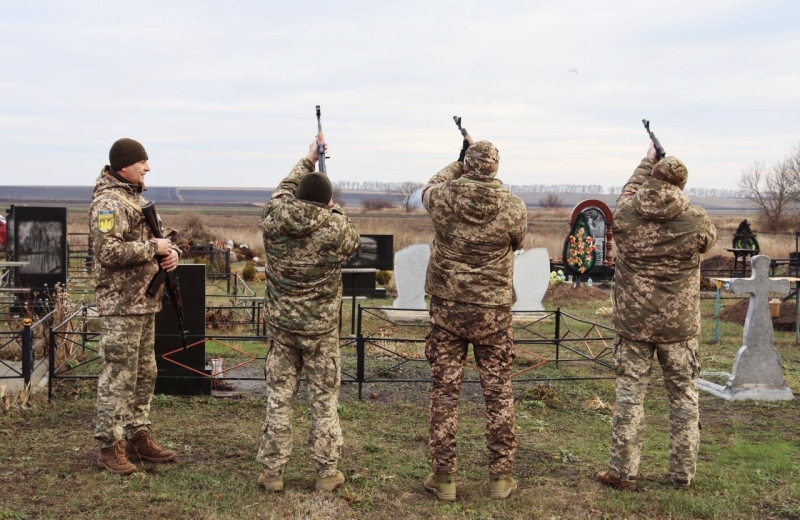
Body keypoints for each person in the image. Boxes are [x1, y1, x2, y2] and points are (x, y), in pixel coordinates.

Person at [597, 142, 717, 491]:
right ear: (681, 184)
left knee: (630, 396)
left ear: (653, 176)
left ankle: (622, 472)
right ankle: (682, 475)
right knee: (684, 398)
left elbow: (629, 191)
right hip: (679, 328)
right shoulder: (697, 220)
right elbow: (706, 242)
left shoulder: (626, 214)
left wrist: (645, 161)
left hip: (633, 324)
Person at [421, 131, 527, 500]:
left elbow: (430, 186)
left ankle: (444, 477)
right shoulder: (514, 206)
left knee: (444, 393)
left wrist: (458, 159)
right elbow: (516, 241)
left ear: (466, 165)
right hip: (493, 313)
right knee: (498, 392)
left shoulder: (444, 196)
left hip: (448, 308)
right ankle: (500, 478)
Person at [256, 136, 360, 493]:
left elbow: (282, 191)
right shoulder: (335, 227)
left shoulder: (274, 217)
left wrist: (306, 159)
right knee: (323, 401)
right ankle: (326, 472)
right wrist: (335, 210)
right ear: (327, 201)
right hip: (320, 332)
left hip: (282, 328)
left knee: (279, 400)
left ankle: (272, 473)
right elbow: (353, 242)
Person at [89, 138, 181, 475]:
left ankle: (136, 436)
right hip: (121, 305)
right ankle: (109, 446)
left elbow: (161, 240)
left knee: (145, 373)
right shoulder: (108, 204)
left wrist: (172, 253)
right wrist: (152, 248)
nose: (148, 167)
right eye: (142, 162)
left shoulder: (135, 199)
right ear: (124, 166)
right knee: (118, 377)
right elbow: (109, 252)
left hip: (144, 303)